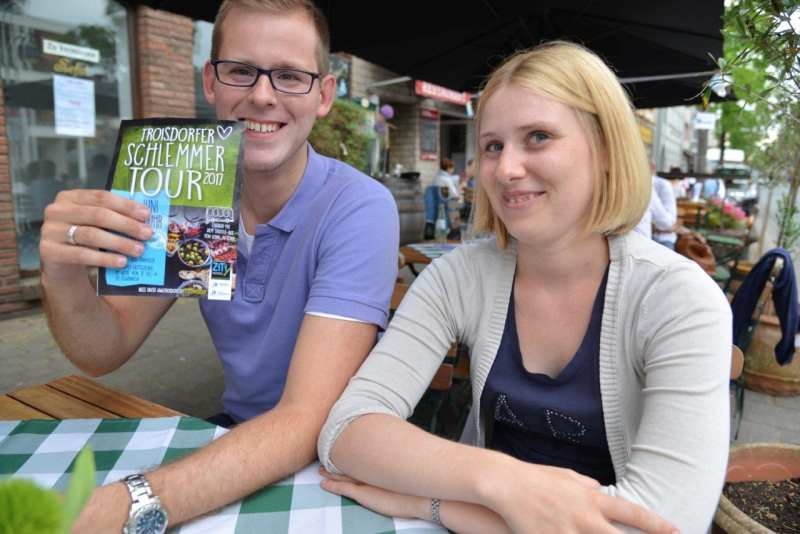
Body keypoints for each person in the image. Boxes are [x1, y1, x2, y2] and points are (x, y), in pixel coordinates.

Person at [318, 41, 731, 533]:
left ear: (604, 149)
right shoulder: (460, 275)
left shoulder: (678, 299)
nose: (506, 168)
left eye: (537, 136)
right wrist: (503, 481)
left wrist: (434, 505)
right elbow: (346, 430)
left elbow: (661, 524)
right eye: (492, 145)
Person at [38, 0, 399, 531]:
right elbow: (102, 350)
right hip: (234, 441)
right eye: (240, 70)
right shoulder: (189, 189)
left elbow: (306, 421)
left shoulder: (358, 206)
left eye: (289, 75)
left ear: (323, 96)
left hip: (340, 461)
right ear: (211, 81)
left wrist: (129, 505)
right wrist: (62, 272)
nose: (261, 95)